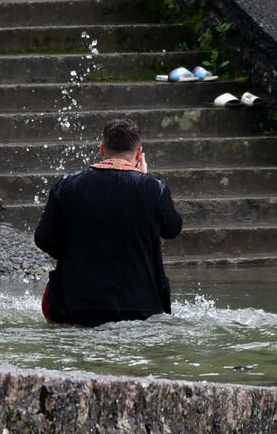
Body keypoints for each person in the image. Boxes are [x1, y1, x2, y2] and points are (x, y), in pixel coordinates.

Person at [34, 118, 183, 326]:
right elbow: (172, 229)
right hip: (141, 304)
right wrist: (145, 180)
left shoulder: (67, 185)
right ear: (139, 153)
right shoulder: (154, 188)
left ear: (102, 148)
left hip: (77, 304)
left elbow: (44, 239)